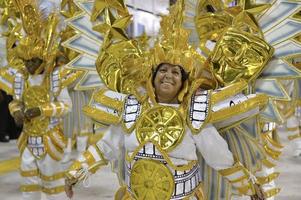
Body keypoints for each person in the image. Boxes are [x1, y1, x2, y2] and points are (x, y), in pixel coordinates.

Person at [64, 62, 266, 200]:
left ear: (183, 82)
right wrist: (76, 172)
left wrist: (250, 186)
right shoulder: (133, 108)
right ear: (152, 77)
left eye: (176, 72)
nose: (168, 75)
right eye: (163, 70)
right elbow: (105, 147)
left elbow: (219, 156)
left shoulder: (194, 113)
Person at [8, 2, 72, 199]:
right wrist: (16, 111)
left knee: (52, 183)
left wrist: (41, 110)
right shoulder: (21, 77)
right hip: (28, 138)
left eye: (34, 61)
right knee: (29, 182)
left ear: (45, 59)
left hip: (50, 138)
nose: (29, 65)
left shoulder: (56, 77)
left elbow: (66, 106)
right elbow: (15, 101)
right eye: (26, 61)